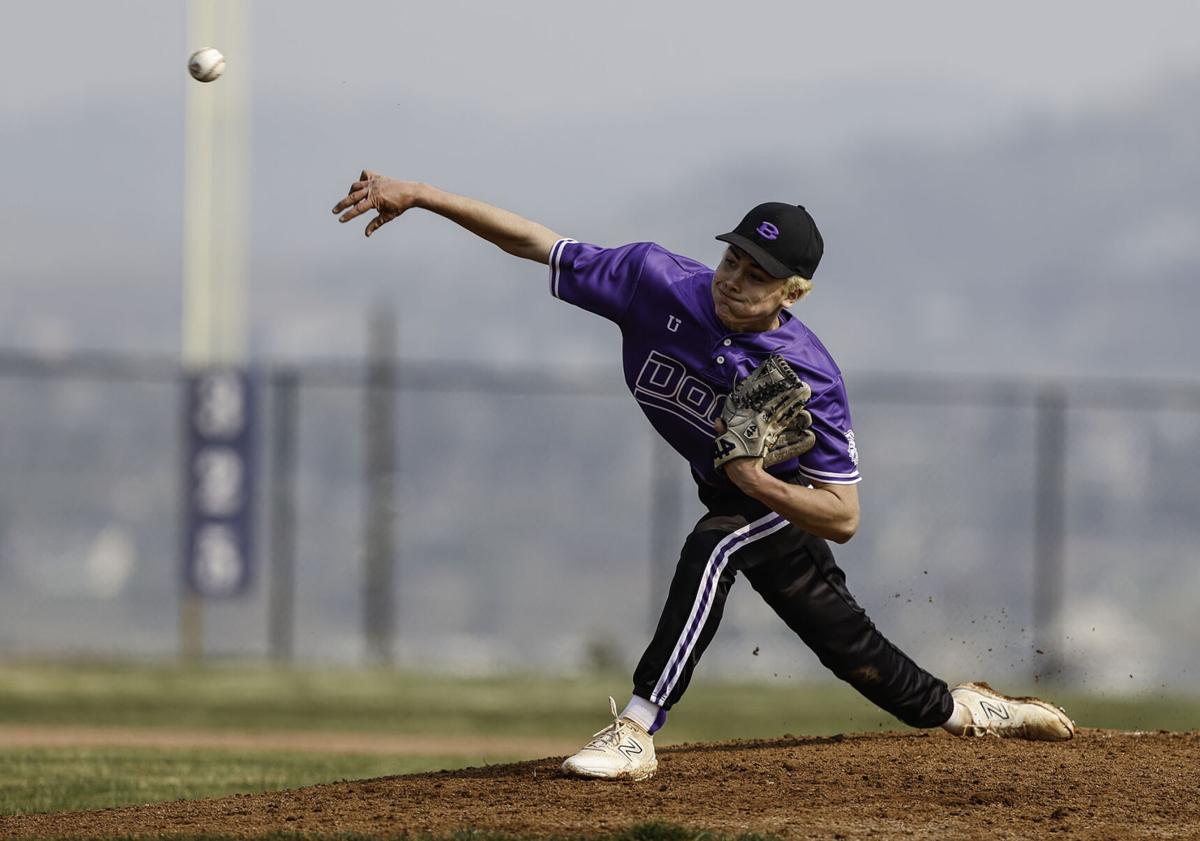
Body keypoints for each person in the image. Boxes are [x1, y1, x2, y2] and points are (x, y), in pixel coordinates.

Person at [332, 172, 1076, 781]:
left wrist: (757, 483)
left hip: (772, 501)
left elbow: (843, 515)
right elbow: (536, 243)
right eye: (734, 260)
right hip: (735, 489)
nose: (736, 280)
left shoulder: (809, 374)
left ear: (794, 292)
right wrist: (423, 196)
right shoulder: (655, 281)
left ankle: (635, 730)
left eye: (759, 275)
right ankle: (973, 709)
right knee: (867, 665)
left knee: (711, 546)